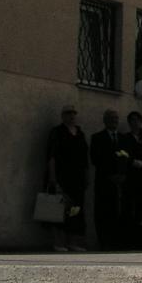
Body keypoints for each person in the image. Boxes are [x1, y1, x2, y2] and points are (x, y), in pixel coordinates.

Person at [45, 105, 89, 252]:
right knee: (60, 208)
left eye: (73, 113)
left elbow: (84, 157)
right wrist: (52, 178)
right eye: (68, 113)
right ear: (63, 116)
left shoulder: (80, 133)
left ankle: (72, 242)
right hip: (62, 176)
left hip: (78, 177)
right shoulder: (57, 132)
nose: (72, 116)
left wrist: (86, 175)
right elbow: (51, 156)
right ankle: (58, 242)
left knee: (75, 209)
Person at [91, 109, 126, 250]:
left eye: (116, 118)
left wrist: (122, 174)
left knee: (118, 212)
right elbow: (96, 159)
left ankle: (117, 242)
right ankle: (104, 242)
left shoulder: (123, 138)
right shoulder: (97, 138)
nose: (114, 121)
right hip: (104, 181)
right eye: (111, 118)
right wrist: (110, 175)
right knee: (103, 212)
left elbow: (127, 158)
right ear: (105, 120)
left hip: (120, 181)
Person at [120, 110, 142, 248]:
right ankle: (128, 238)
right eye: (132, 120)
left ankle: (140, 238)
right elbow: (124, 155)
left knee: (141, 207)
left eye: (137, 120)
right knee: (128, 206)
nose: (135, 122)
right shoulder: (125, 138)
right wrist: (136, 163)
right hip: (130, 176)